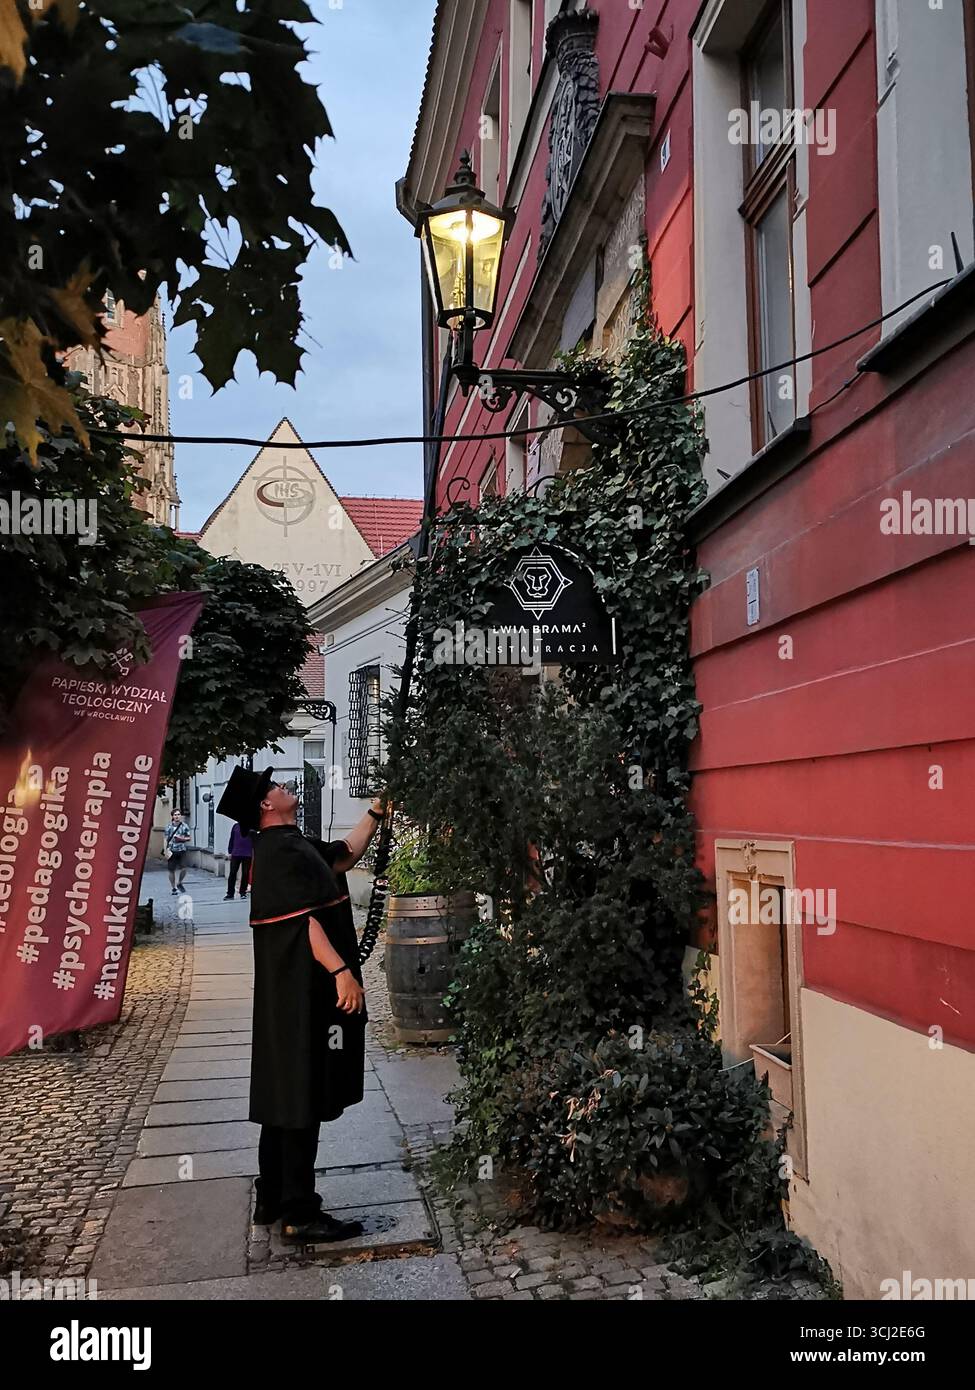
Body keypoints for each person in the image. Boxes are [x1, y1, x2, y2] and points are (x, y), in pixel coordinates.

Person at [216, 766, 387, 1244]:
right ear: (265, 806)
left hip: (296, 993)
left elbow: (343, 857)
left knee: (284, 1092)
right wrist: (341, 973)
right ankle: (298, 1212)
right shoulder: (276, 852)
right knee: (300, 1094)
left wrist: (376, 811)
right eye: (272, 786)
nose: (282, 785)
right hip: (301, 992)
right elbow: (301, 922)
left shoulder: (294, 843)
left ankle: (273, 1195)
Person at [164, 810, 192, 895]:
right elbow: (165, 839)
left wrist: (182, 839)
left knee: (184, 868)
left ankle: (179, 882)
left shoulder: (184, 826)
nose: (177, 816)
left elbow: (189, 837)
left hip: (182, 849)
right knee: (171, 870)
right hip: (171, 850)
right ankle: (173, 887)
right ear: (172, 816)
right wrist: (165, 850)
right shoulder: (168, 827)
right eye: (175, 815)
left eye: (179, 814)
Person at [224, 821, 253, 900]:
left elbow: (255, 840)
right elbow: (232, 839)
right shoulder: (235, 826)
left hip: (247, 853)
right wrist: (230, 851)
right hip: (236, 853)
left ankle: (243, 892)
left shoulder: (251, 827)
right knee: (232, 873)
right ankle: (230, 893)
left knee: (245, 873)